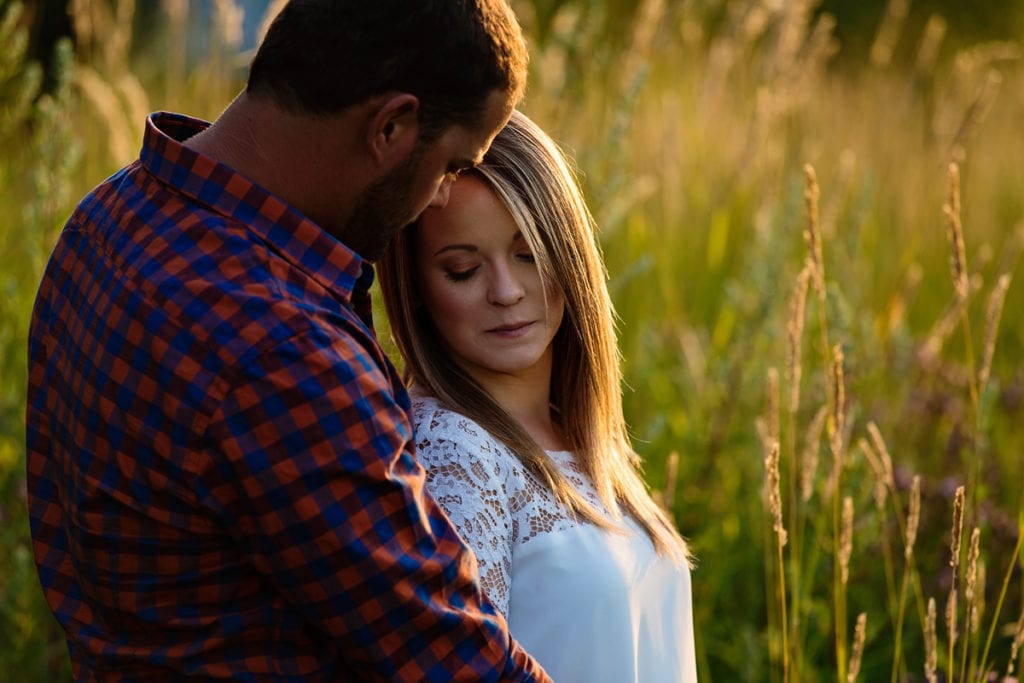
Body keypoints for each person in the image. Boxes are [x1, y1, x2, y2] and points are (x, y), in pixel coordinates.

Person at [24, 1, 554, 680]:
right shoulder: (281, 347)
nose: (441, 198)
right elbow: (453, 658)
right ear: (391, 126)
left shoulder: (107, 218)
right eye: (453, 165)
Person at [377, 109, 698, 682]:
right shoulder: (455, 452)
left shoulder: (579, 435)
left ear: (570, 256)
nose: (506, 292)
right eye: (463, 269)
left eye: (530, 255)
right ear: (417, 287)